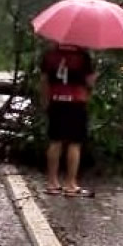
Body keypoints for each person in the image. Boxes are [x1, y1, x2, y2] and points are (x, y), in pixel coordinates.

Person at [39, 42, 97, 197]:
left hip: (56, 100)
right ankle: (70, 184)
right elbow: (90, 82)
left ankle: (52, 182)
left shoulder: (50, 54)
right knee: (74, 143)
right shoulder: (83, 56)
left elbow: (44, 80)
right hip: (76, 103)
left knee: (55, 141)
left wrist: (45, 101)